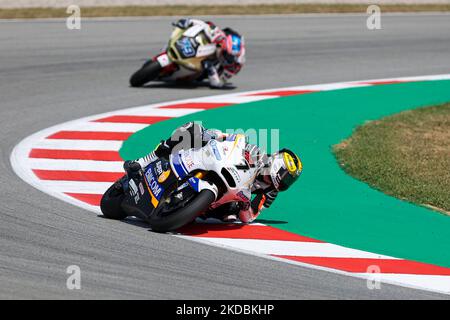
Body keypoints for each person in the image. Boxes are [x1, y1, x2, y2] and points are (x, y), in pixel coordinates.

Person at [124, 122, 302, 223]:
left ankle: (189, 209)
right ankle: (143, 161)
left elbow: (249, 218)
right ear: (278, 166)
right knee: (192, 130)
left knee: (230, 216)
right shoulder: (259, 155)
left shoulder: (270, 193)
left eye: (290, 181)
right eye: (287, 177)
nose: (286, 183)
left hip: (228, 196)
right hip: (218, 164)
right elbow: (236, 142)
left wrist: (246, 205)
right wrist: (216, 136)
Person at [173, 18, 245, 88]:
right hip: (205, 47)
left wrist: (211, 69)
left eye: (229, 57)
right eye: (225, 53)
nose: (226, 58)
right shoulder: (220, 36)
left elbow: (217, 83)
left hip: (207, 67)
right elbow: (205, 25)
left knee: (195, 78)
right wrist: (189, 22)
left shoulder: (233, 67)